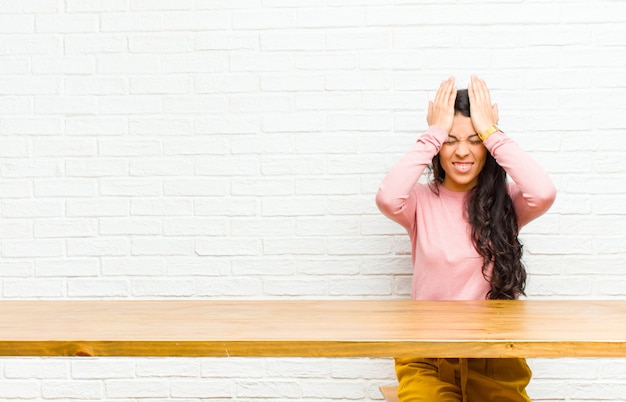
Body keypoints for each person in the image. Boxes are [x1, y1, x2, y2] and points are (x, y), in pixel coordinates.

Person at [375, 75, 557, 402]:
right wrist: (433, 132)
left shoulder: (507, 202)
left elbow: (543, 192)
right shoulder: (419, 201)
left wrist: (493, 132)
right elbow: (388, 198)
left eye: (474, 140)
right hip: (426, 353)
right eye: (450, 140)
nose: (462, 151)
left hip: (495, 356)